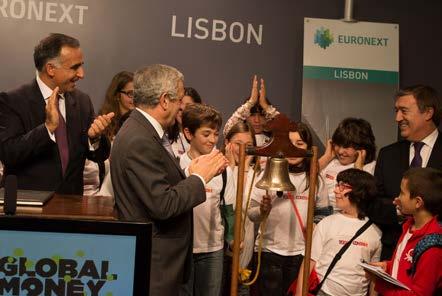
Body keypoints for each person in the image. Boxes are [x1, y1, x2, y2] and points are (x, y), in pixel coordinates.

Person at [110, 64, 228, 296]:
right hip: (157, 265)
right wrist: (197, 177)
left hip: (160, 262)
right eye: (179, 101)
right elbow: (163, 205)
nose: (181, 109)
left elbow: (155, 188)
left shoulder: (143, 131)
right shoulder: (139, 139)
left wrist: (186, 176)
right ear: (165, 100)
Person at [0, 33, 112, 194]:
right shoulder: (13, 101)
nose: (82, 74)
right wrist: (47, 129)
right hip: (29, 209)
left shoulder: (82, 101)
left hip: (71, 208)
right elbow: (9, 154)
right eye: (74, 67)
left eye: (81, 65)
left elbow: (99, 156)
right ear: (50, 69)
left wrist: (94, 139)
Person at [248, 122, 330, 296]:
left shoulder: (315, 179)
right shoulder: (267, 174)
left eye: (299, 144)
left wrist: (315, 226)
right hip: (269, 252)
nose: (293, 148)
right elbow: (251, 213)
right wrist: (262, 211)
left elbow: (324, 214)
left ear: (308, 147)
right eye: (289, 143)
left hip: (301, 255)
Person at [374, 85, 442, 260]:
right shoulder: (387, 155)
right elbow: (374, 203)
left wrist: (422, 213)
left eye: (403, 111)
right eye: (396, 111)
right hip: (393, 256)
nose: (397, 118)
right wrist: (400, 210)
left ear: (428, 113)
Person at [294, 168, 382, 296]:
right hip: (323, 292)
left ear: (360, 192)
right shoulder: (326, 223)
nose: (335, 190)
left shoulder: (375, 231)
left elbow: (374, 275)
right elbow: (308, 263)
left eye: (343, 187)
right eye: (337, 185)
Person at [179, 103, 234, 296]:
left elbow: (228, 208)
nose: (212, 140)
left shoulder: (224, 169)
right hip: (183, 250)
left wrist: (232, 237)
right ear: (188, 133)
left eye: (215, 134)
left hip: (212, 249)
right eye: (206, 134)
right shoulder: (177, 166)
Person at [370, 168, 442, 296]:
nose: (397, 197)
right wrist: (387, 266)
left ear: (418, 202)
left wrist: (382, 286)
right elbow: (407, 265)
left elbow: (419, 294)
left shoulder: (432, 247)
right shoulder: (409, 226)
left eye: (402, 193)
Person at [221, 121, 260, 296]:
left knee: (242, 290)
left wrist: (244, 170)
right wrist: (232, 169)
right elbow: (228, 203)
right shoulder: (218, 169)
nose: (242, 149)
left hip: (245, 248)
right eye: (238, 144)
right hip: (219, 247)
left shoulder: (257, 175)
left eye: (248, 145)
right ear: (227, 143)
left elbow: (246, 208)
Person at [87, 71, 134, 196]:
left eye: (138, 94)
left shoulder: (137, 124)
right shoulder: (102, 123)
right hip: (102, 190)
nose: (134, 99)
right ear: (117, 95)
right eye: (130, 94)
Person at [319, 117, 376, 213]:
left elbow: (363, 199)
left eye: (346, 147)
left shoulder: (370, 167)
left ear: (362, 147)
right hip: (322, 214)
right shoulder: (331, 163)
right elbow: (307, 179)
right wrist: (326, 157)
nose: (340, 151)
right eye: (338, 144)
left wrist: (358, 170)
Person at [223, 76, 279, 147]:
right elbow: (227, 130)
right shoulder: (238, 138)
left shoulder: (274, 140)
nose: (257, 120)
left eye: (261, 115)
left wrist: (266, 107)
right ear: (245, 116)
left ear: (267, 117)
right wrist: (251, 102)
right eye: (252, 115)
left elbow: (289, 131)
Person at [169, 86, 202, 158]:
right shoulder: (166, 136)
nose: (182, 109)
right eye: (180, 104)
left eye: (188, 106)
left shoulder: (205, 135)